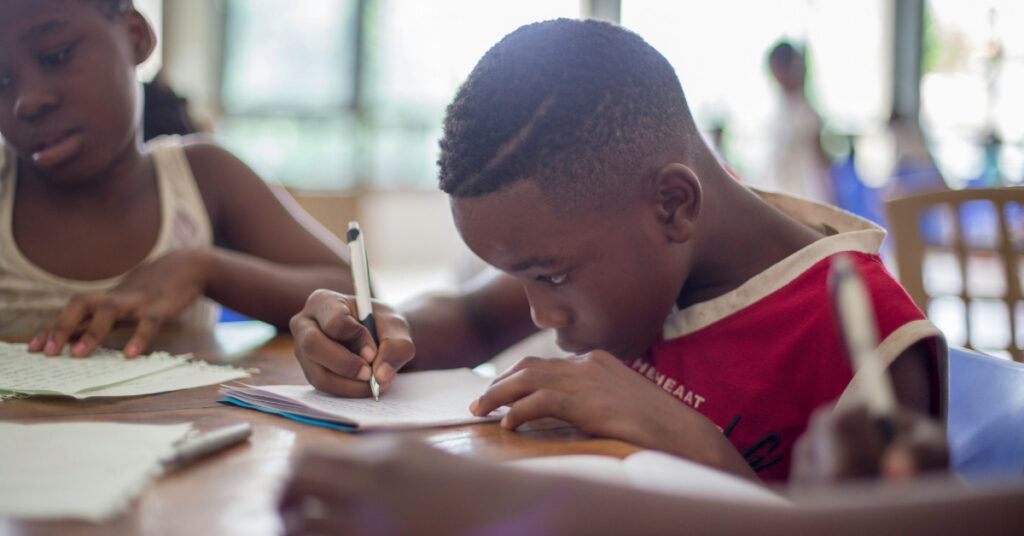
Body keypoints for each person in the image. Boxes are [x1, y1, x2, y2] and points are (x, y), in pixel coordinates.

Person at [289, 18, 946, 483]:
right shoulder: (637, 245)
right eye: (521, 280)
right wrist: (378, 331)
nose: (541, 315)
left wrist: (698, 447)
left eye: (550, 275)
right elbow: (475, 319)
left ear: (672, 205)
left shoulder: (869, 343)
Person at [0, 0, 352, 356]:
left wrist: (203, 269)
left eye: (57, 56)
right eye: (0, 80)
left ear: (135, 37)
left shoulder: (203, 177)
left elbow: (360, 299)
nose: (26, 103)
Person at [767, 40, 834, 205]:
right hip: (784, 195)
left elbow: (820, 163)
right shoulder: (782, 110)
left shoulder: (806, 112)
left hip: (806, 196)